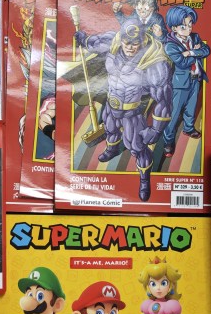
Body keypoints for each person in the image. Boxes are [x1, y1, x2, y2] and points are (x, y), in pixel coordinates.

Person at [74, 19, 172, 201]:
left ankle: (144, 180)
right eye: (127, 42)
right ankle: (112, 149)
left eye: (135, 43)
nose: (130, 47)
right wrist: (83, 39)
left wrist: (156, 130)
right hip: (111, 105)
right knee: (110, 129)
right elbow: (93, 43)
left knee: (137, 146)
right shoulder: (113, 42)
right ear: (121, 38)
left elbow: (164, 100)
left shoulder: (153, 60)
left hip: (131, 113)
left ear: (143, 40)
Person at [162, 5, 209, 156]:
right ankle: (168, 140)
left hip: (195, 79)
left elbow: (207, 50)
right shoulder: (170, 45)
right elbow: (182, 63)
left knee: (191, 108)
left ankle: (188, 129)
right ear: (174, 28)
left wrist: (190, 52)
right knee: (174, 113)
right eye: (183, 26)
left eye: (190, 25)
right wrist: (197, 52)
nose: (188, 29)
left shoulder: (195, 37)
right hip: (180, 84)